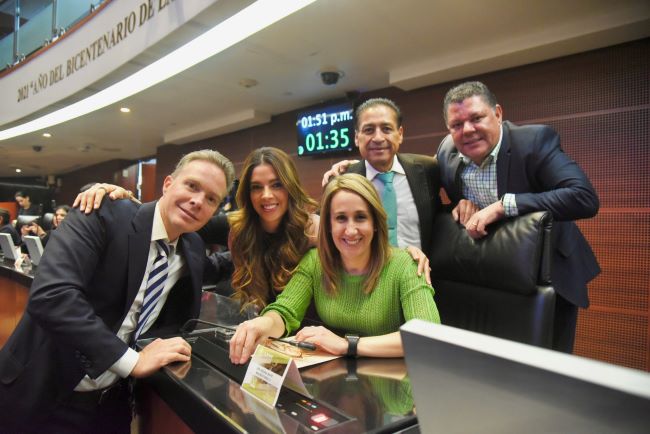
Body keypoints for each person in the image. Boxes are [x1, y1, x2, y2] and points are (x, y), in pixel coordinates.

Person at [0, 150, 235, 433]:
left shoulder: (192, 247)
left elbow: (219, 266)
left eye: (211, 199)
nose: (198, 201)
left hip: (111, 404)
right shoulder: (103, 210)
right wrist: (133, 361)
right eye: (192, 185)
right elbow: (52, 295)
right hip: (43, 393)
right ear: (168, 184)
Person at [437, 81, 600, 353]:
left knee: (546, 364)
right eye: (457, 124)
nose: (467, 130)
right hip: (495, 273)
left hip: (548, 273)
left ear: (498, 113)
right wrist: (460, 204)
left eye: (477, 118)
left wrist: (504, 206)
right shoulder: (446, 154)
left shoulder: (534, 141)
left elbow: (583, 197)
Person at [229, 173, 440, 365]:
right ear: (328, 225)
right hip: (337, 381)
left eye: (360, 217)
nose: (351, 230)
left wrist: (348, 345)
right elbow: (285, 311)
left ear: (375, 222)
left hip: (396, 383)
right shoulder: (315, 261)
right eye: (340, 218)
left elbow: (427, 338)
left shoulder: (406, 265)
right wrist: (264, 324)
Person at [321, 98, 441, 259]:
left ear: (400, 134)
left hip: (423, 270)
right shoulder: (343, 180)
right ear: (356, 137)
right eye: (369, 130)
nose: (378, 138)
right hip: (366, 272)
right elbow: (324, 224)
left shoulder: (428, 169)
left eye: (386, 129)